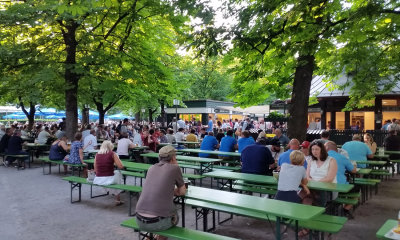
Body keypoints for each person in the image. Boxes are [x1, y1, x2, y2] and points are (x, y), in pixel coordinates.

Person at [135, 145, 186, 238]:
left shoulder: (151, 168)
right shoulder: (175, 168)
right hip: (157, 222)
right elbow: (182, 192)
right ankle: (159, 237)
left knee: (163, 213)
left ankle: (150, 237)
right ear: (174, 157)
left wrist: (167, 189)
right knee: (174, 214)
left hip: (139, 219)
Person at [325, 141, 357, 218]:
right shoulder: (342, 157)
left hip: (324, 186)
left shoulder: (321, 157)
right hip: (341, 187)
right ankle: (346, 209)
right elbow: (353, 170)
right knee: (357, 190)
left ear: (326, 148)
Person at [301, 140, 338, 206]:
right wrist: (312, 183)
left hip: (328, 189)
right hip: (313, 187)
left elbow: (329, 178)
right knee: (300, 193)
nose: (314, 151)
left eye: (317, 149)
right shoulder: (311, 161)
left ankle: (320, 210)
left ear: (322, 150)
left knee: (319, 195)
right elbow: (307, 176)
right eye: (312, 149)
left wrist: (315, 183)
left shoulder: (332, 160)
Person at [93, 141, 125, 205]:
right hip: (108, 178)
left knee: (116, 175)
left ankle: (116, 196)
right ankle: (117, 199)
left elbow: (95, 169)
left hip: (98, 179)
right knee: (118, 174)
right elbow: (121, 166)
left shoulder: (97, 154)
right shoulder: (112, 154)